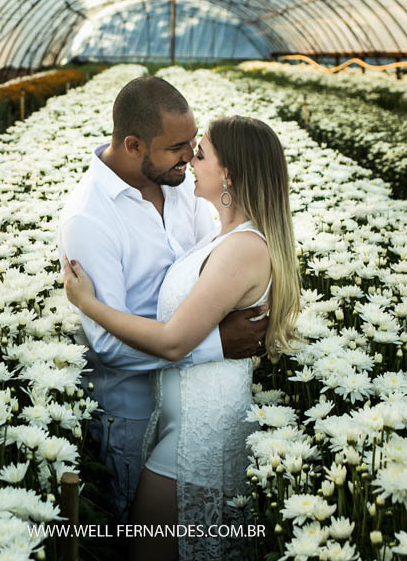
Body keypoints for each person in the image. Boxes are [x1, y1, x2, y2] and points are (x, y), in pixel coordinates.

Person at [64, 115, 300, 561]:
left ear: (228, 173)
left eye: (202, 152)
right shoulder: (223, 235)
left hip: (198, 431)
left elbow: (174, 342)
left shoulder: (244, 248)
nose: (191, 159)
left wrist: (88, 304)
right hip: (182, 420)